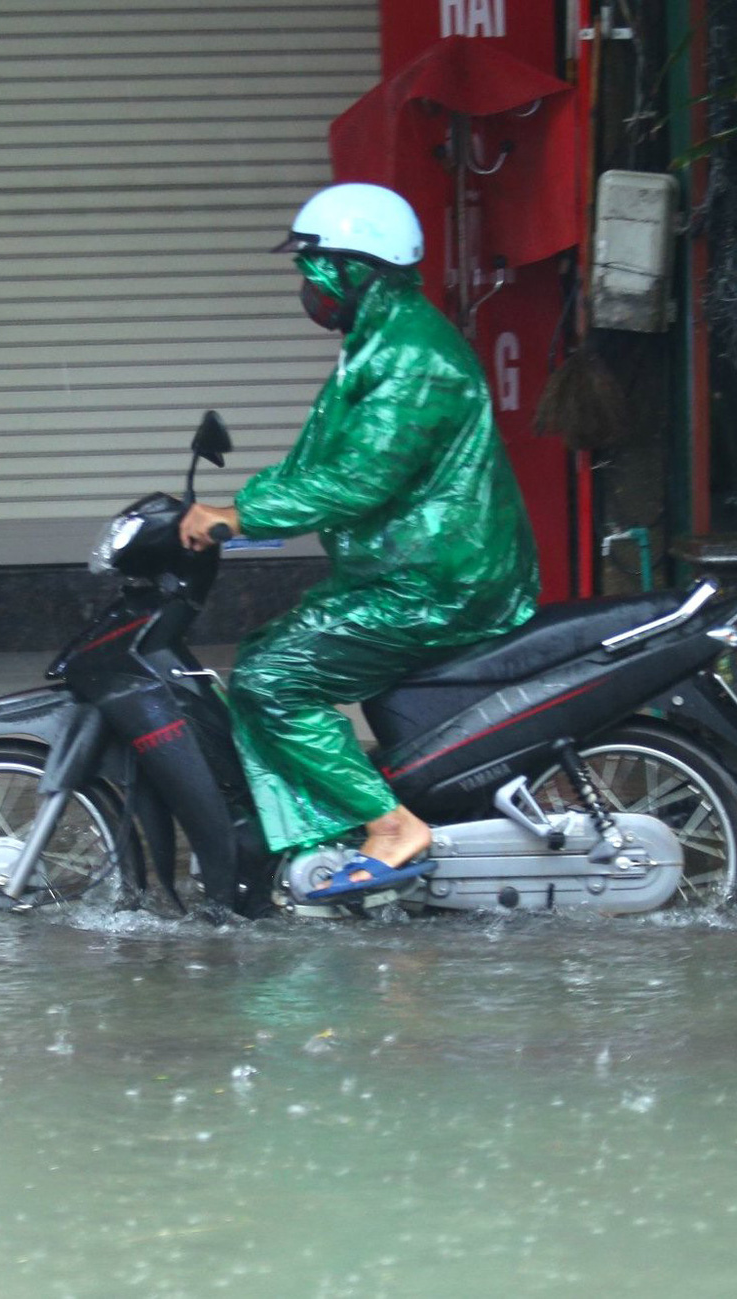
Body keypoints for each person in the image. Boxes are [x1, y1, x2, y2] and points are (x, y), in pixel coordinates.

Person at [179, 183, 540, 901]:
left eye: (311, 269)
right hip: (402, 572)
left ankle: (392, 825)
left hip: (438, 583)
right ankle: (320, 838)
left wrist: (241, 514)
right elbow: (314, 465)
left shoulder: (412, 355)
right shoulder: (379, 342)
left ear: (353, 267)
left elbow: (356, 479)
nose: (304, 287)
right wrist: (230, 508)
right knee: (263, 656)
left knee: (271, 678)